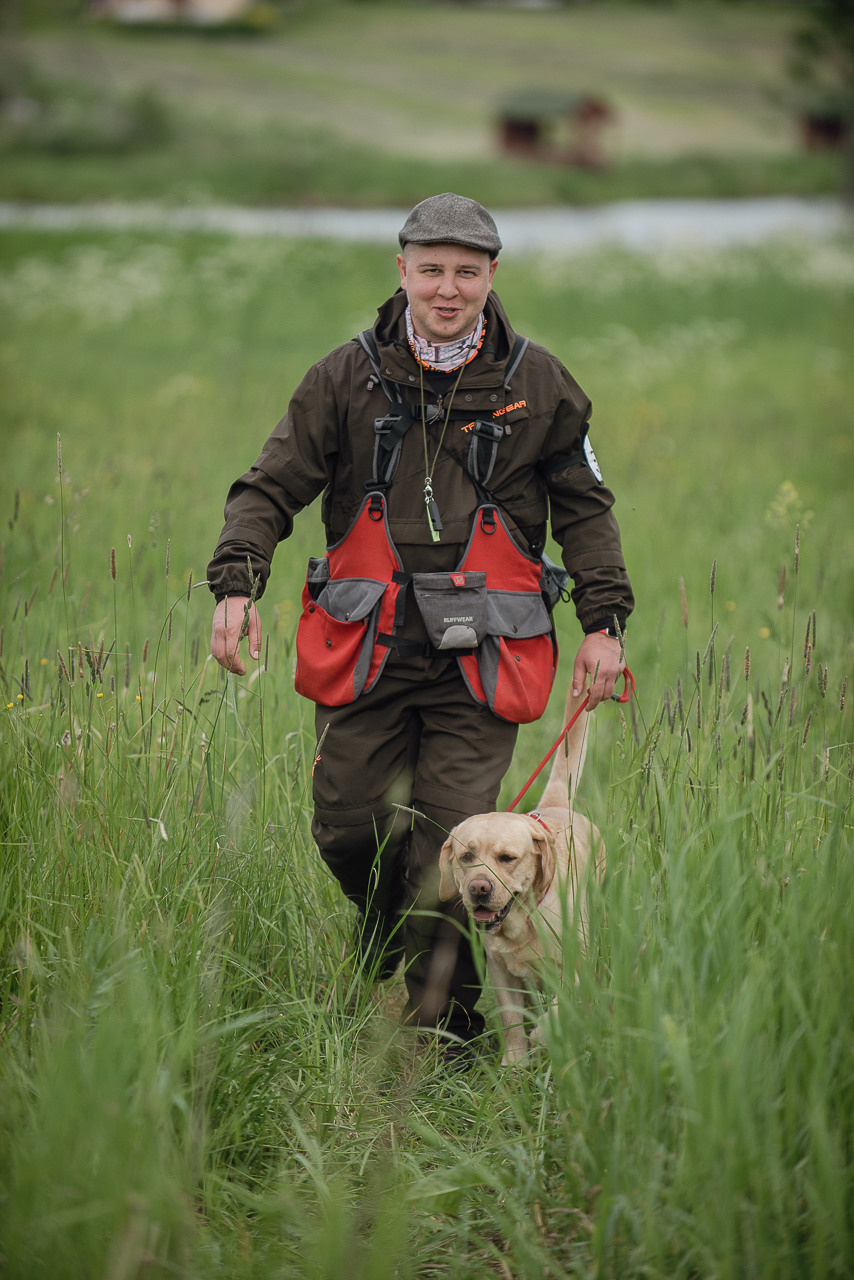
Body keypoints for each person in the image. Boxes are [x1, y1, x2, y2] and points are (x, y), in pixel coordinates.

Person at [208, 193, 634, 1064]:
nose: (448, 288)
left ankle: (454, 1033)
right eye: (431, 269)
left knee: (456, 843)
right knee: (348, 824)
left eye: (466, 272)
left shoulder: (542, 385)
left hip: (486, 657)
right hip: (367, 648)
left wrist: (605, 620)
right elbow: (268, 486)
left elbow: (586, 508)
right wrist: (237, 584)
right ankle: (385, 932)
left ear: (491, 278)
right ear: (401, 271)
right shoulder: (341, 378)